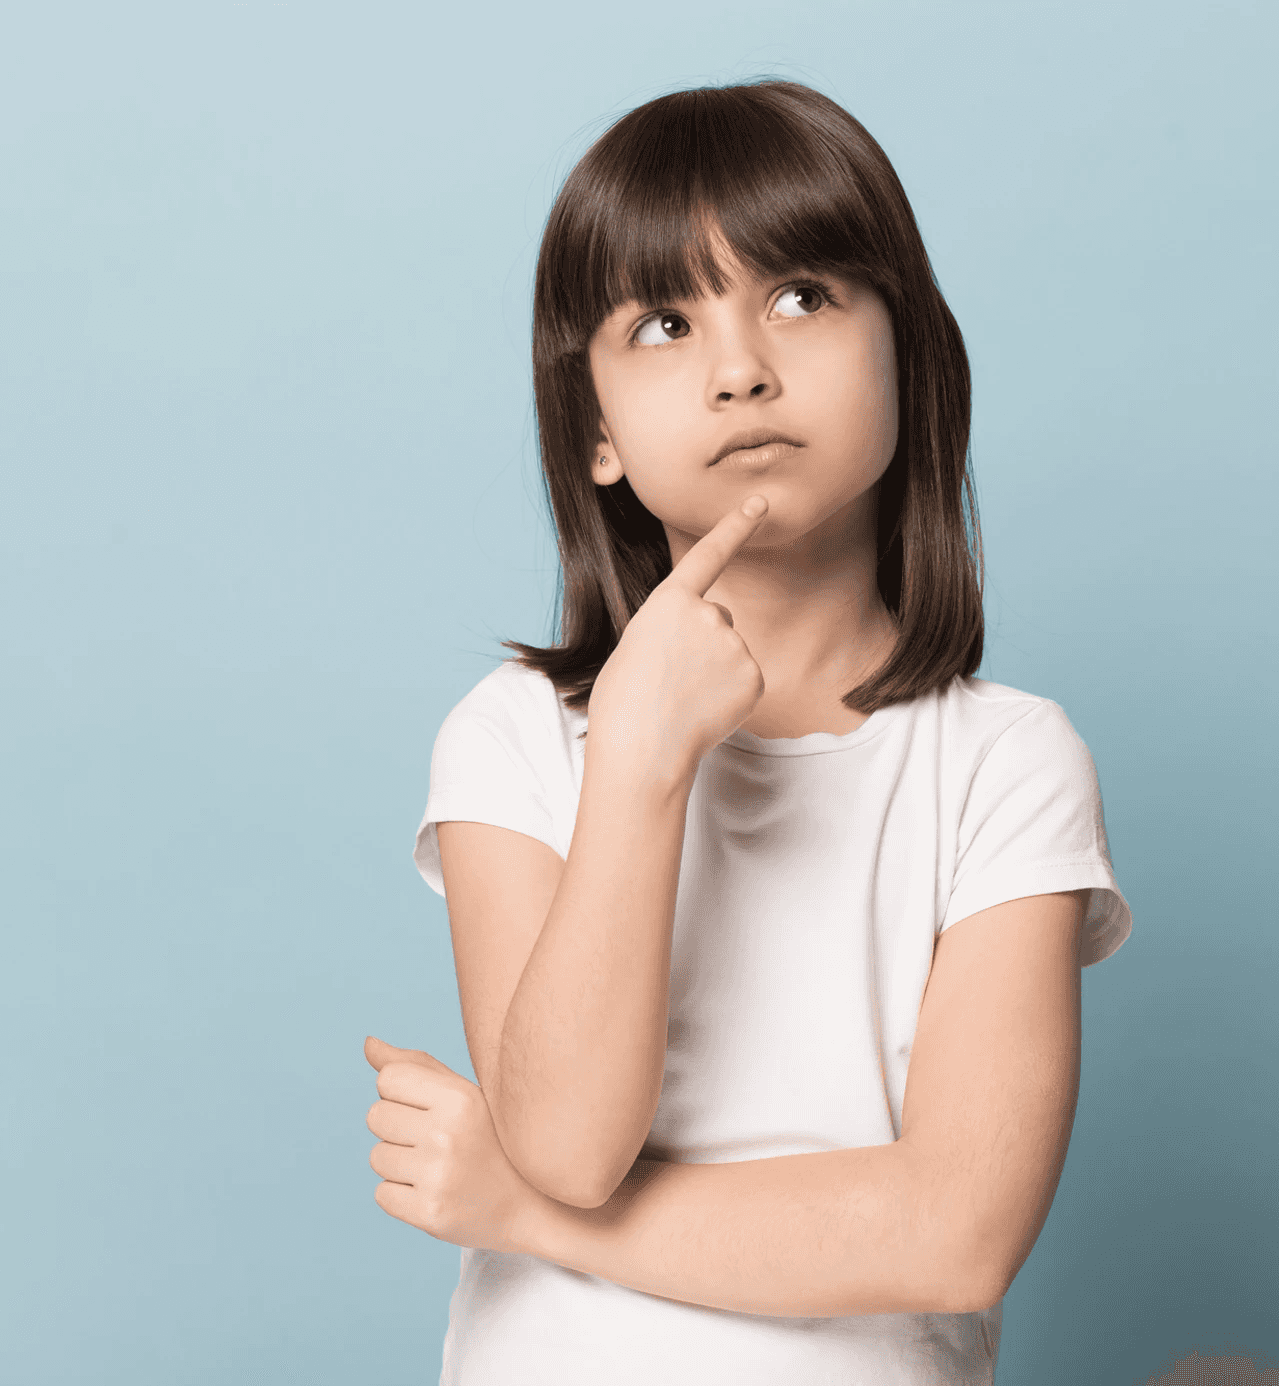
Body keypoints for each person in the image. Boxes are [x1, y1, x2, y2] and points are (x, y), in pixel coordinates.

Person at [366, 77, 1132, 1385]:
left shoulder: (1004, 764)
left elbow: (953, 1235)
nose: (738, 370)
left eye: (801, 297)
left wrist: (519, 1212)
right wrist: (640, 761)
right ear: (595, 430)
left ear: (909, 356)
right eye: (664, 321)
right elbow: (565, 1136)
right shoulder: (514, 738)